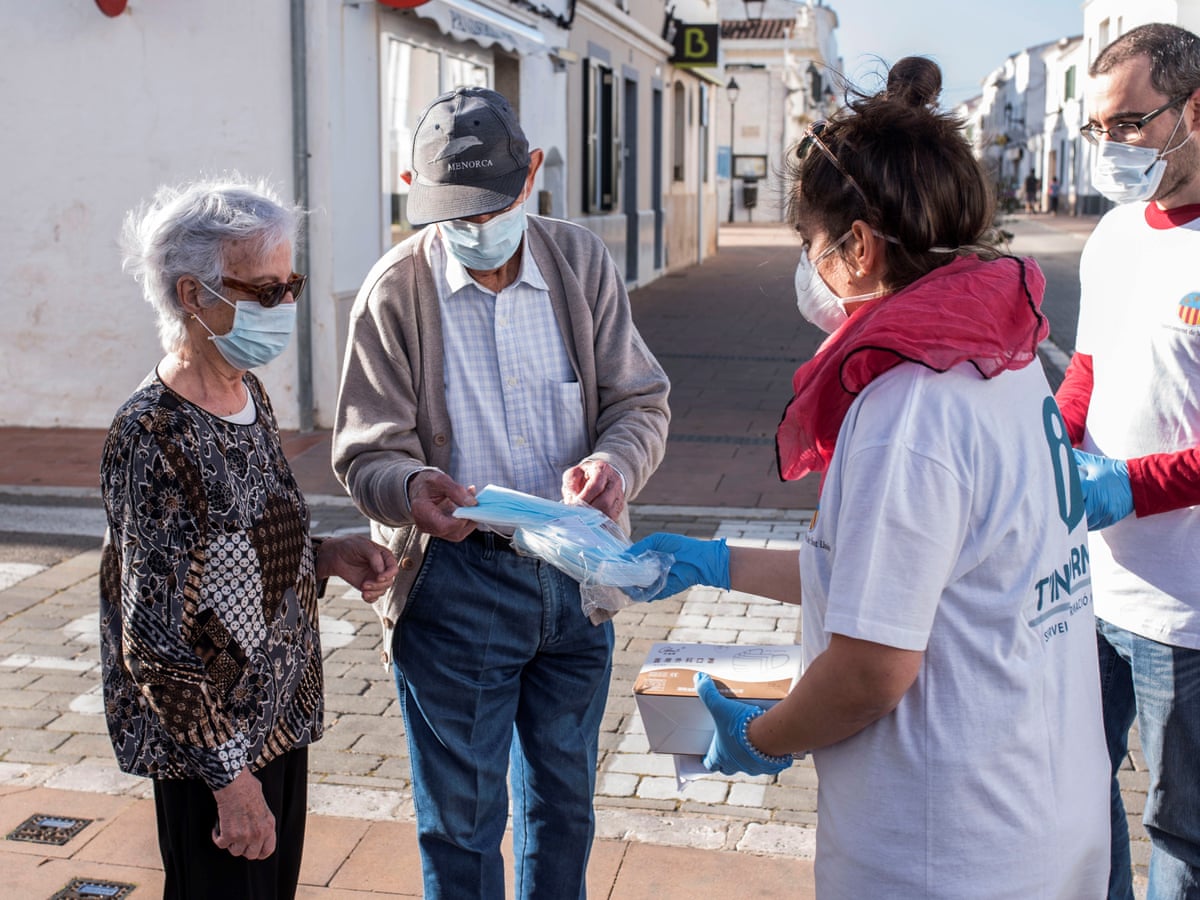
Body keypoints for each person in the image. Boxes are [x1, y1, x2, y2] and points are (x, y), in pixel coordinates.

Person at [628, 57, 1110, 898]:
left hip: (946, 845)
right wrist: (718, 561)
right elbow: (901, 577)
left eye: (808, 246)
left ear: (856, 248)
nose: (805, 268)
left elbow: (869, 672)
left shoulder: (909, 410)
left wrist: (764, 736)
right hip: (1040, 806)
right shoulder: (1004, 358)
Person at [332, 86, 670, 899]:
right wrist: (409, 486)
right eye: (455, 212)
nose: (478, 230)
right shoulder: (393, 292)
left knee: (565, 807)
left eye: (494, 205)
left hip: (576, 580)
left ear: (533, 177)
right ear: (416, 187)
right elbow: (364, 451)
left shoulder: (580, 261)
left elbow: (639, 401)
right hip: (457, 587)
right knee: (461, 820)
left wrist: (616, 466)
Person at [100, 176, 399, 900]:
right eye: (264, 291)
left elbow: (234, 544)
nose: (285, 306)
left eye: (290, 284)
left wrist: (322, 555)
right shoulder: (154, 434)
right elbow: (155, 640)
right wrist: (230, 783)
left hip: (276, 722)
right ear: (192, 295)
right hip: (214, 752)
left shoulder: (245, 391)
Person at [1057, 22, 1200, 899]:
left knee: (1181, 828)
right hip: (1088, 589)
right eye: (1099, 129)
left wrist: (1130, 486)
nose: (1113, 147)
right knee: (1075, 792)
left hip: (1186, 613)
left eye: (1131, 124)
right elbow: (1091, 365)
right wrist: (1058, 438)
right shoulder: (1112, 235)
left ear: (1195, 109)